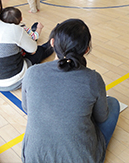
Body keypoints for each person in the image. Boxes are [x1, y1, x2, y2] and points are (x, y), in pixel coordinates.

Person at [21, 19, 120, 163]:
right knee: (113, 103)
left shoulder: (32, 72)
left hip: (32, 158)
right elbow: (101, 117)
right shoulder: (93, 78)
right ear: (86, 50)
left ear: (52, 42)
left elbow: (27, 108)